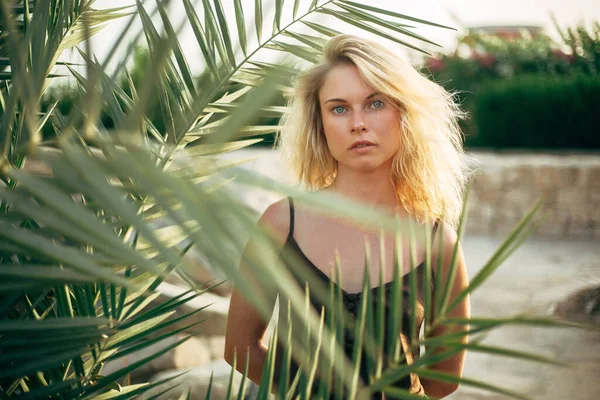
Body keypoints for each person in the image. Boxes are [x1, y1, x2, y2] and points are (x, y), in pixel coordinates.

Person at [224, 34, 472, 399]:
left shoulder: (437, 240)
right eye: (339, 108)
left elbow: (444, 378)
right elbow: (239, 347)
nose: (358, 123)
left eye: (375, 103)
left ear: (403, 112)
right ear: (320, 123)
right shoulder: (280, 224)